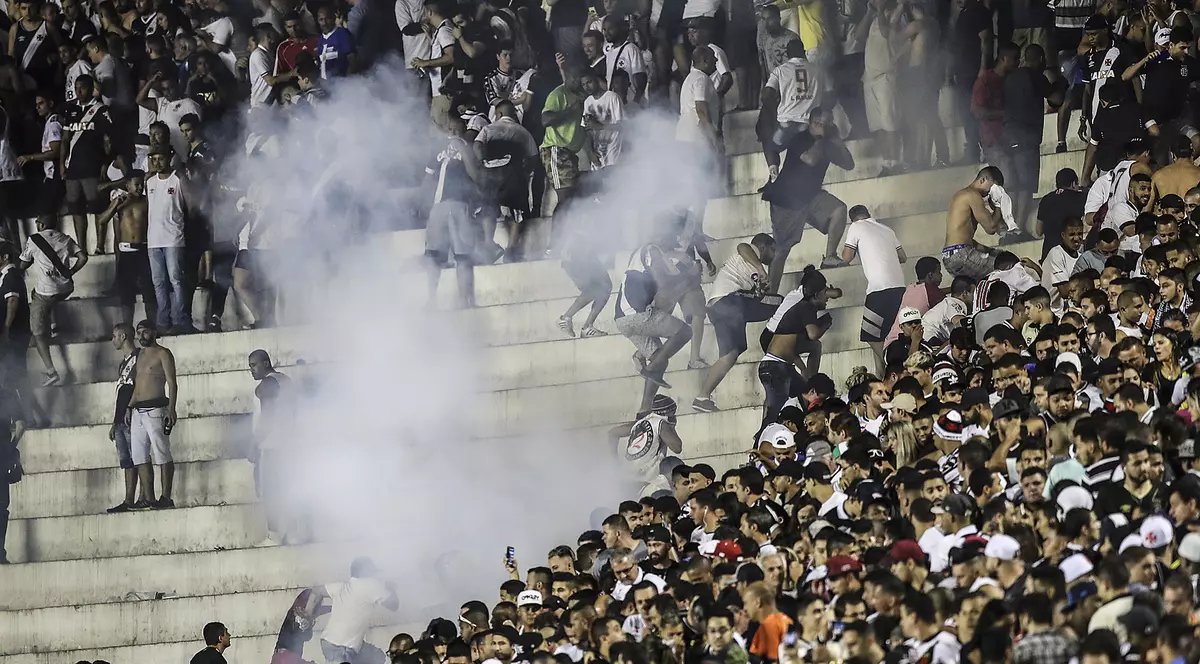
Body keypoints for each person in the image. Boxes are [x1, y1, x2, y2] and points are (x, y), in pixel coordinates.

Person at [761, 106, 854, 291]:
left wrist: (836, 140)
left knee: (839, 210)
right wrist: (820, 139)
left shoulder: (828, 142)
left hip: (811, 196)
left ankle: (829, 257)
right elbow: (810, 159)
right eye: (823, 124)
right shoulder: (800, 138)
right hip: (786, 200)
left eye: (829, 123)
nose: (827, 127)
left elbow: (849, 164)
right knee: (781, 250)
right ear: (814, 123)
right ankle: (770, 293)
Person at [693, 234, 777, 413]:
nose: (774, 255)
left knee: (730, 354)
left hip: (720, 308)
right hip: (727, 301)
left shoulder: (751, 269)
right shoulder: (751, 252)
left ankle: (702, 397)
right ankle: (780, 352)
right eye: (773, 249)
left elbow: (754, 297)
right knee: (779, 303)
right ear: (763, 247)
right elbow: (742, 247)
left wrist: (760, 291)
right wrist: (761, 270)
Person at [18, 214, 87, 387]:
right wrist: (70, 272)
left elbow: (22, 265)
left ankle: (51, 372)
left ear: (41, 225)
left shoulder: (34, 240)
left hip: (46, 292)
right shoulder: (65, 238)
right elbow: (83, 258)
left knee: (38, 333)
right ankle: (53, 324)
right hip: (66, 288)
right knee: (44, 297)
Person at [759, 266, 834, 424]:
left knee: (803, 393)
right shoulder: (806, 307)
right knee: (774, 413)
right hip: (775, 367)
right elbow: (813, 334)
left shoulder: (804, 306)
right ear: (817, 294)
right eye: (825, 293)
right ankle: (761, 442)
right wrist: (825, 325)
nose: (827, 298)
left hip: (781, 366)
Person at [424, 115, 484, 309]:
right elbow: (427, 179)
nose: (453, 133)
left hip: (461, 205)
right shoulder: (437, 151)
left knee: (463, 254)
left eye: (456, 129)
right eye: (450, 129)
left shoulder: (469, 148)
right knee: (433, 254)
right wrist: (426, 206)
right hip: (438, 206)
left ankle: (465, 300)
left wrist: (463, 150)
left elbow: (476, 175)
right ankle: (431, 299)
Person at [301, 557, 400, 664]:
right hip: (342, 648)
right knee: (376, 657)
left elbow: (316, 590)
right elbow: (394, 605)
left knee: (376, 656)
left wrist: (307, 615)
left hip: (331, 641)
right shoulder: (371, 585)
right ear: (366, 572)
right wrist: (391, 588)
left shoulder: (342, 587)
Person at [841, 205, 906, 367]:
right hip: (899, 288)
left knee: (870, 335)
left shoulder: (856, 227)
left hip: (879, 289)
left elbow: (846, 257)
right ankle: (883, 373)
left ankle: (893, 364)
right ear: (869, 215)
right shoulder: (887, 229)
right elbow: (903, 257)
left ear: (852, 219)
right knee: (883, 335)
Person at [249, 349, 299, 547]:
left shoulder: (268, 384)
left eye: (253, 365)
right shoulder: (286, 380)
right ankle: (293, 533)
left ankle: (274, 534)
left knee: (270, 492)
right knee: (288, 489)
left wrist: (255, 442)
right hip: (288, 443)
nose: (251, 370)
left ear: (266, 363)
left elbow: (267, 417)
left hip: (271, 445)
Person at [127, 319, 178, 509]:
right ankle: (148, 497)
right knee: (140, 456)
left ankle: (166, 497)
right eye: (138, 333)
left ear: (154, 332)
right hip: (138, 410)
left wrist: (172, 408)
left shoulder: (163, 353)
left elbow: (172, 383)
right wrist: (129, 406)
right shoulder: (139, 354)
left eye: (145, 332)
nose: (141, 336)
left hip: (157, 408)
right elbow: (138, 384)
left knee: (162, 453)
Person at [59, 75, 113, 255]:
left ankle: (99, 246)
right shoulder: (70, 110)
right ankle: (81, 247)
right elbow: (65, 139)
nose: (78, 91)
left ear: (91, 88)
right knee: (75, 207)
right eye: (76, 88)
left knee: (97, 205)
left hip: (92, 166)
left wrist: (105, 164)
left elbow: (108, 141)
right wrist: (61, 163)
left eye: (82, 87)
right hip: (73, 167)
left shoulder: (101, 109)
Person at [145, 146, 194, 334]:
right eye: (153, 159)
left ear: (169, 158)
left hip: (173, 238)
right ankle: (163, 321)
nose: (157, 162)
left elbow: (190, 205)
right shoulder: (149, 182)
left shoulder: (178, 180)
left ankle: (182, 319)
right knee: (158, 281)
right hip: (153, 240)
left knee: (176, 279)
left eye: (160, 158)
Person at [97, 172, 156, 325]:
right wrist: (116, 205)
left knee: (149, 290)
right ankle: (127, 326)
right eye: (136, 184)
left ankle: (152, 325)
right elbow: (102, 221)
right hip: (126, 252)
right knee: (126, 293)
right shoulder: (119, 203)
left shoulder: (147, 201)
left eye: (141, 184)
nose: (140, 187)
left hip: (144, 250)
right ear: (127, 185)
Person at [943, 167, 1007, 280]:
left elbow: (999, 228)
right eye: (993, 188)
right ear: (983, 180)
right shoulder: (973, 195)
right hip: (961, 254)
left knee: (1004, 257)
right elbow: (991, 228)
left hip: (952, 253)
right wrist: (998, 205)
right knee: (1007, 266)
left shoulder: (963, 194)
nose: (992, 192)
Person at [106, 323, 142, 513]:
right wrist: (114, 421)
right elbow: (120, 392)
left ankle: (143, 496)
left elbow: (139, 386)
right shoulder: (124, 363)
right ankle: (129, 500)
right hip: (121, 418)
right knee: (127, 460)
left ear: (123, 336)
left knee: (139, 457)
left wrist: (131, 407)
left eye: (114, 336)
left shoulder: (139, 358)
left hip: (133, 416)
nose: (113, 340)